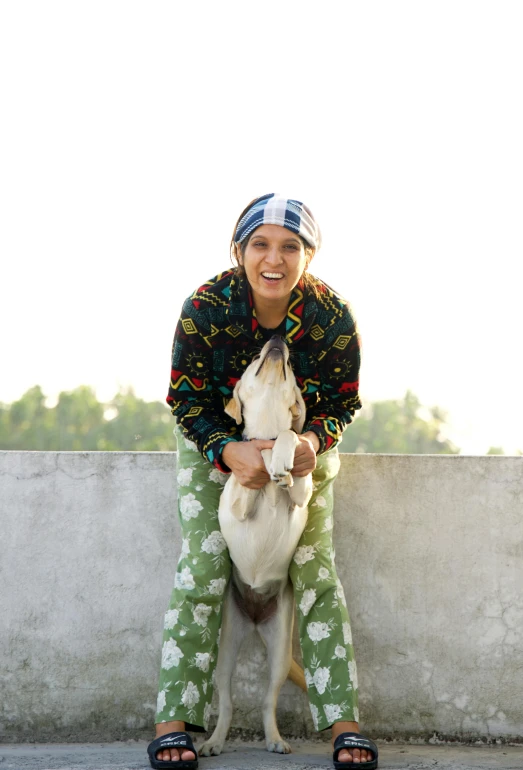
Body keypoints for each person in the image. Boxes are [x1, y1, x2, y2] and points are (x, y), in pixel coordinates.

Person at [147, 194, 377, 769]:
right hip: (212, 440)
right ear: (239, 251)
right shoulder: (205, 307)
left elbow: (343, 405)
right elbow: (185, 400)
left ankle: (344, 724)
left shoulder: (332, 319)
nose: (274, 258)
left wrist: (310, 444)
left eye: (290, 246)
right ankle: (173, 721)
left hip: (303, 447)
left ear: (308, 257)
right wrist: (226, 451)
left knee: (316, 569)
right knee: (203, 566)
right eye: (260, 244)